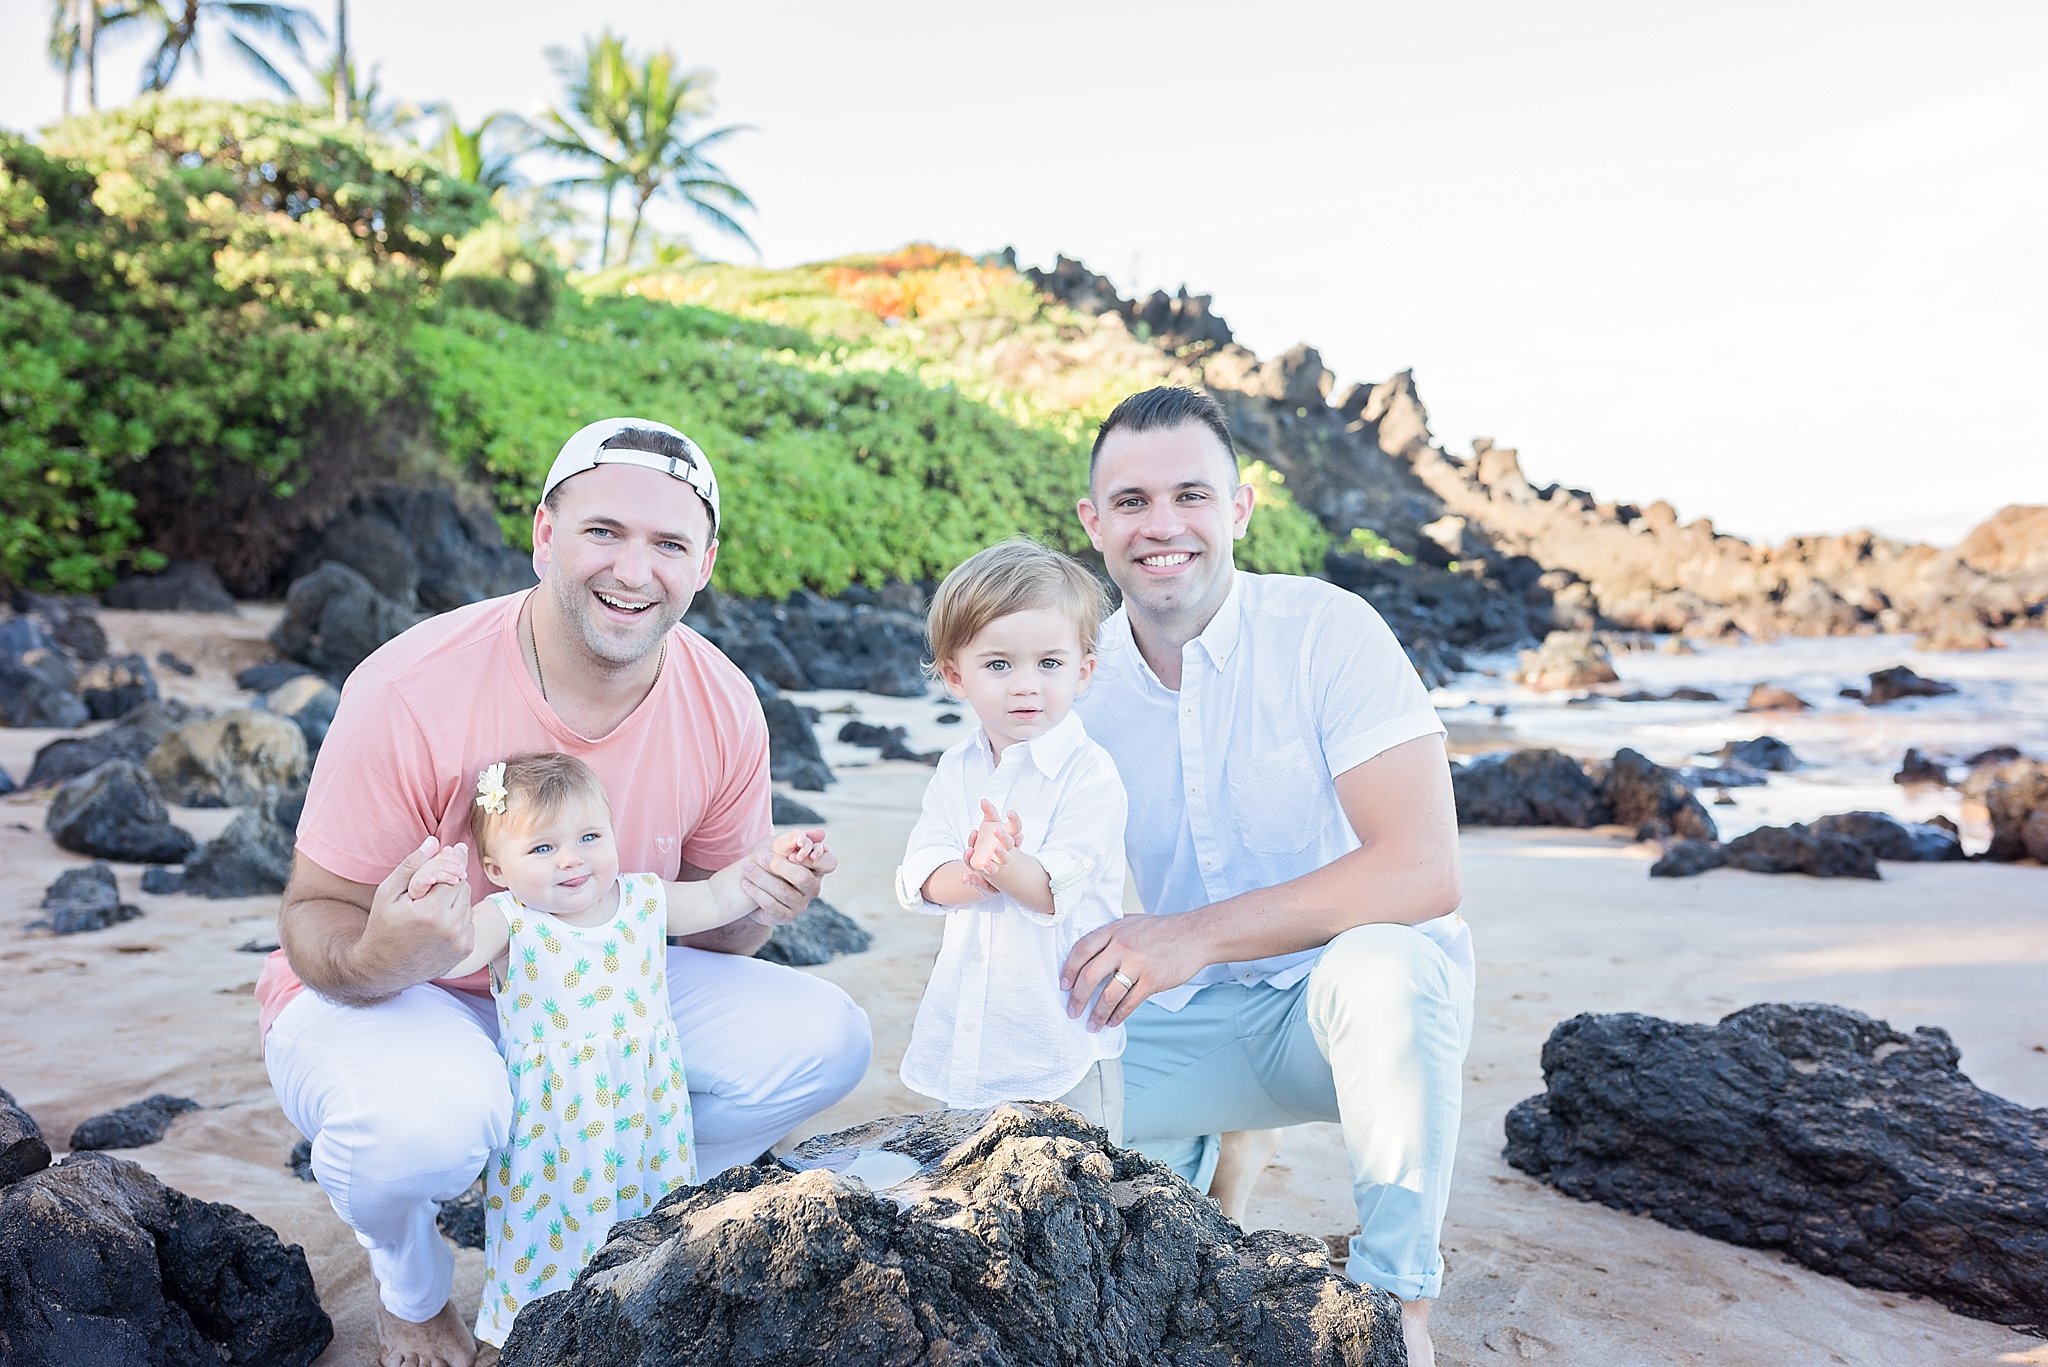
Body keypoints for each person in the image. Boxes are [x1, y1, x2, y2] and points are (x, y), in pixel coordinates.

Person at [258, 417, 873, 1367]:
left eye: (669, 544)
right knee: (417, 1127)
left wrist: (763, 901)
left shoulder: (724, 701)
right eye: (604, 532)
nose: (634, 570)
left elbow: (701, 931)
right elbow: (313, 912)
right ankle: (415, 1291)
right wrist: (393, 954)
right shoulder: (411, 686)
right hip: (414, 995)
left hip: (590, 996)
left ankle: (634, 1214)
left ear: (704, 563)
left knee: (826, 1037)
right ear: (545, 534)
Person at [1062, 387, 1474, 1367]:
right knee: (1031, 1105)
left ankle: (1394, 1307)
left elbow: (1422, 868)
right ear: (1091, 523)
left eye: (1189, 495)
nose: (1160, 526)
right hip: (1190, 1020)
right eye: (1129, 501)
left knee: (1384, 964)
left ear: (1239, 508)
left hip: (1339, 1023)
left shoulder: (1326, 630)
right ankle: (1203, 1150)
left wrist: (1188, 934)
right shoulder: (1073, 677)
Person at [399, 751, 828, 1347]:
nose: (572, 859)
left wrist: (774, 862)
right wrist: (430, 905)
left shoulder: (645, 900)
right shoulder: (510, 919)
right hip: (552, 1124)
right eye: (542, 848)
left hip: (643, 1110)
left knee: (648, 1220)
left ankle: (638, 1325)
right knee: (542, 1232)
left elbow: (723, 896)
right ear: (496, 869)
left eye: (589, 836)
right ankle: (515, 1338)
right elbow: (453, 952)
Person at [894, 538, 1129, 1140]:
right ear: (955, 675)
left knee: (1076, 1196)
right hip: (969, 1031)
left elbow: (1056, 889)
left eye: (1049, 663)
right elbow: (922, 875)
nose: (1026, 685)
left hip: (1059, 1041)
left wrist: (1004, 862)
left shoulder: (1090, 773)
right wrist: (973, 873)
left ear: (1084, 670)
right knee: (963, 1195)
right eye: (998, 664)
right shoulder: (956, 767)